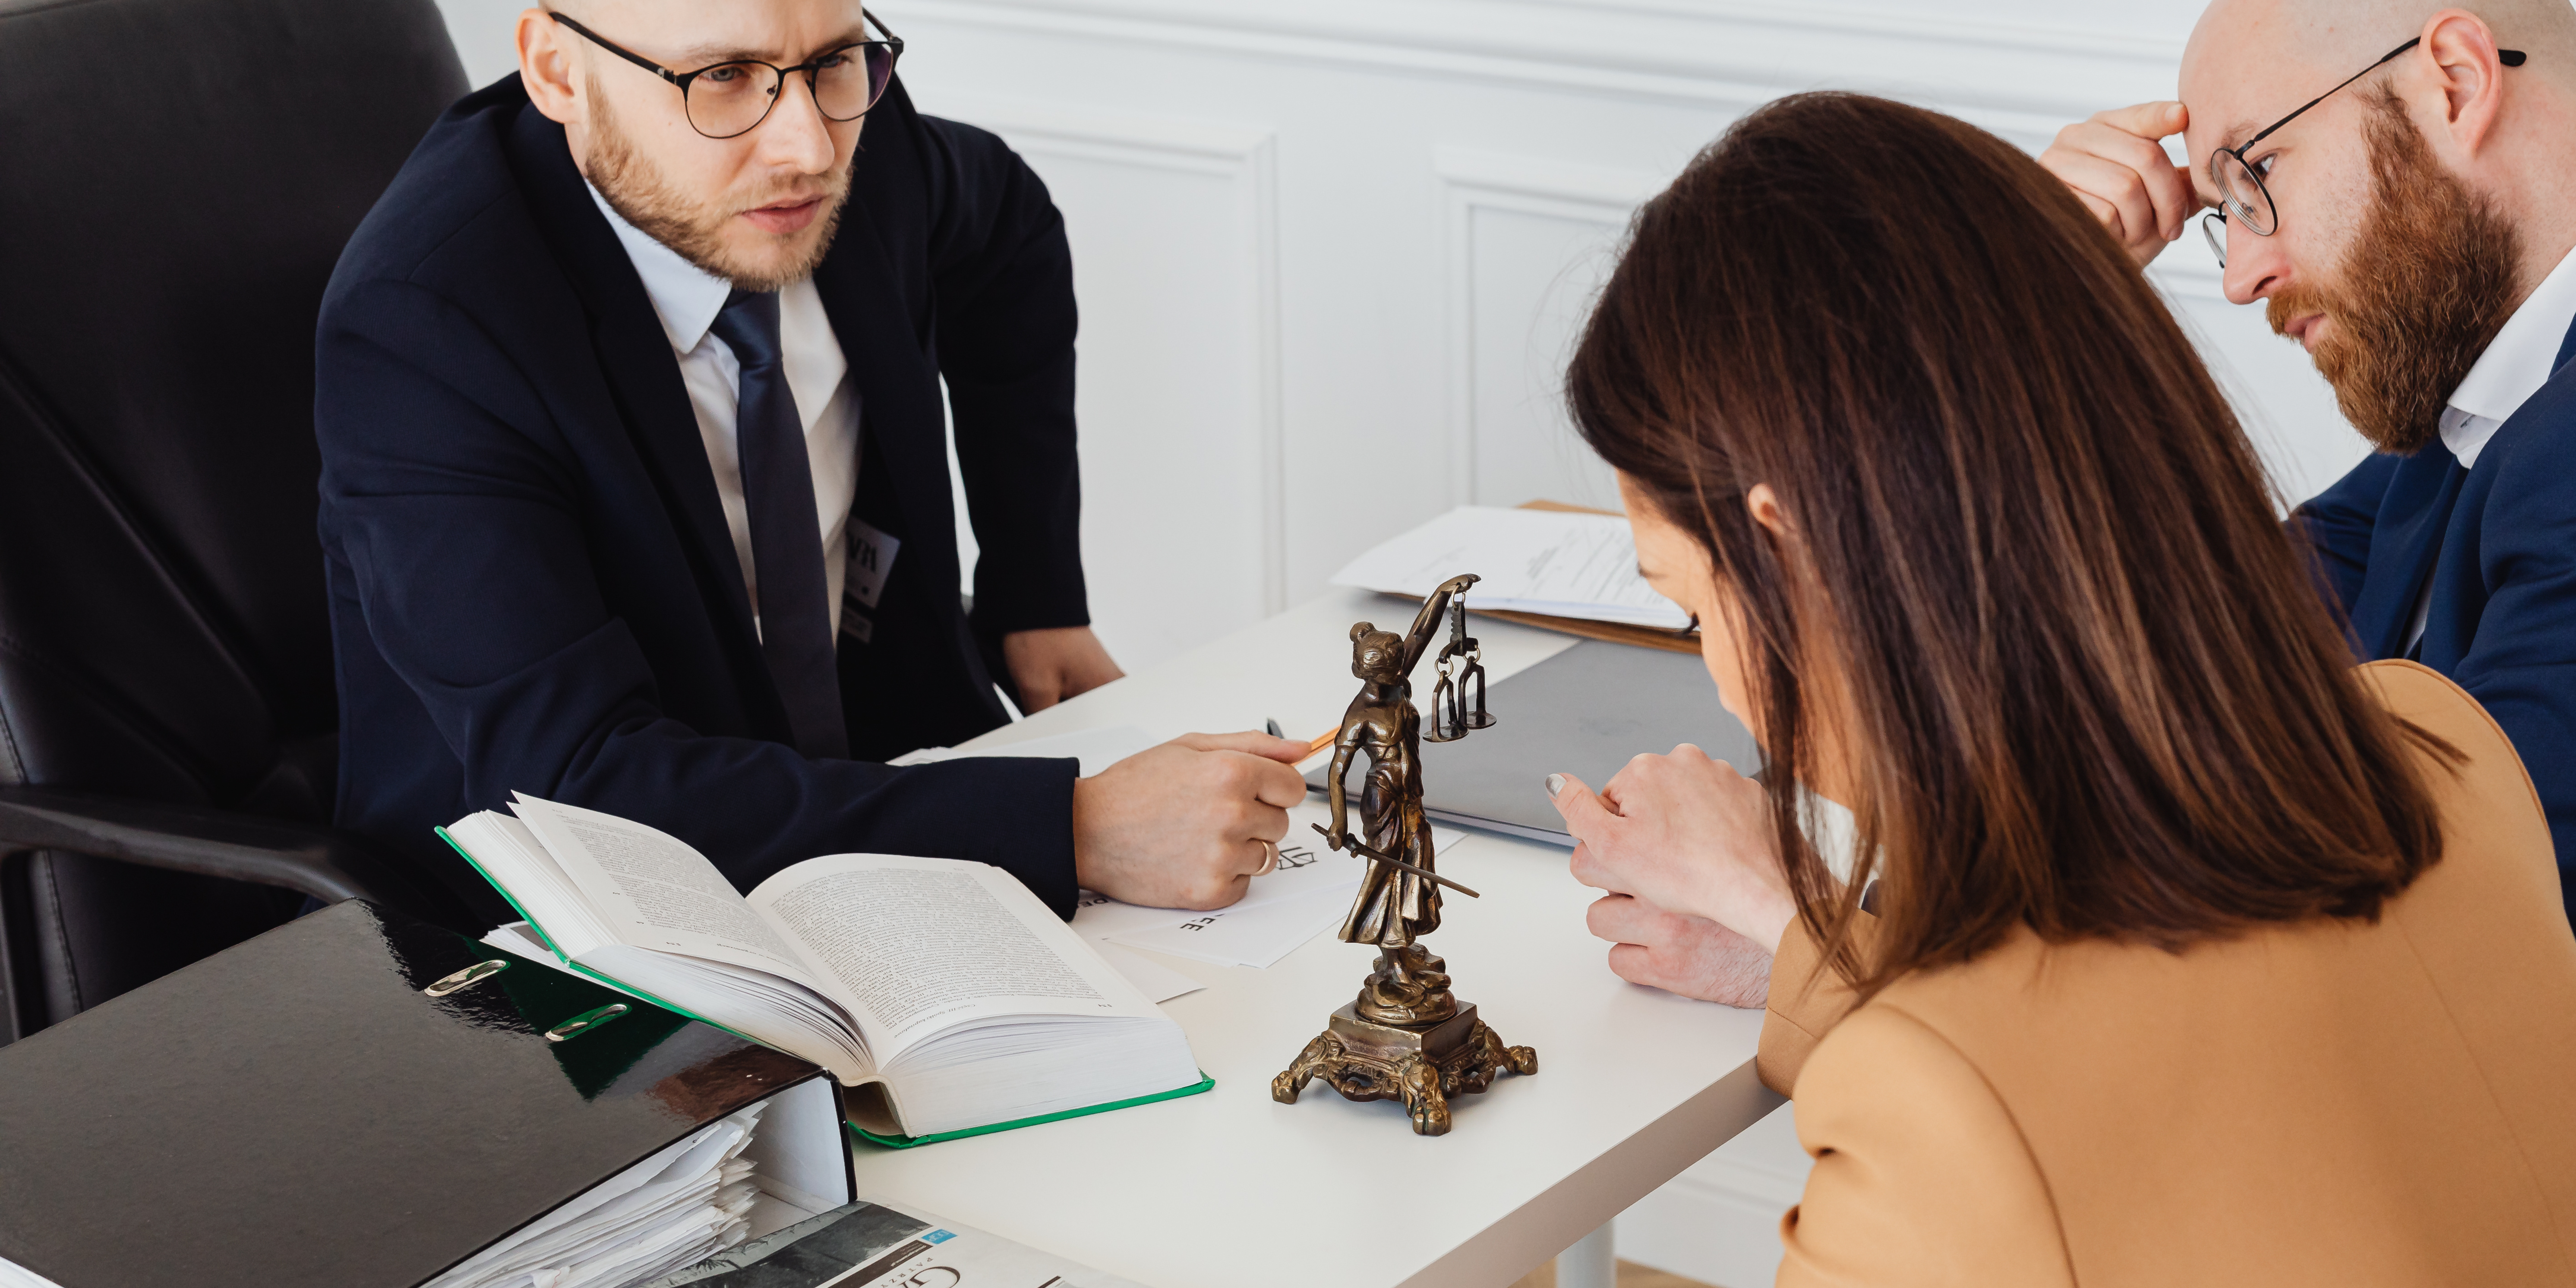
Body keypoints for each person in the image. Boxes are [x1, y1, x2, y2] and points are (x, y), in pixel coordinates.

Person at [1550, 92, 2576, 1282]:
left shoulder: (1941, 1123)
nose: (1721, 679)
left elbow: (2042, 1098)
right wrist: (2021, 341)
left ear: (1789, 546)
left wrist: (1795, 914)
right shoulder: (2439, 740)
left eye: (1691, 604)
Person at [315, 0, 1307, 929]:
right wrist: (1078, 829)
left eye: (831, 60)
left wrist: (1033, 593)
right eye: (725, 77)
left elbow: (1009, 232)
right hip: (564, 937)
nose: (808, 148)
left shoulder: (853, 142)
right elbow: (580, 793)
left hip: (873, 797)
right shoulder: (428, 326)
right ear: (557, 71)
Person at [2042, 0, 2576, 933]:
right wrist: (2044, 299)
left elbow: (2436, 925)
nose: (2238, 275)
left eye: (2258, 170)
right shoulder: (2462, 436)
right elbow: (2175, 672)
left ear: (2454, 82)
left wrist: (1780, 914)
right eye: (2223, 213)